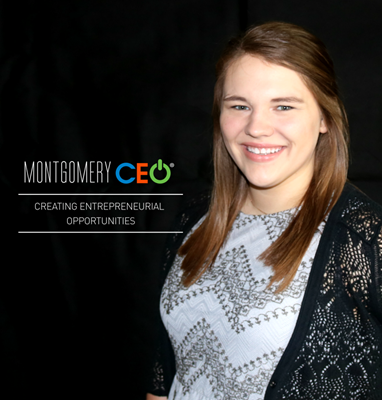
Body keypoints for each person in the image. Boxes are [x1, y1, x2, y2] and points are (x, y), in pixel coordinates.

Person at [147, 21, 382, 400]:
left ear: (324, 117)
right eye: (239, 106)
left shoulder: (366, 239)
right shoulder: (193, 219)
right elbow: (166, 374)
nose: (256, 127)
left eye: (283, 106)